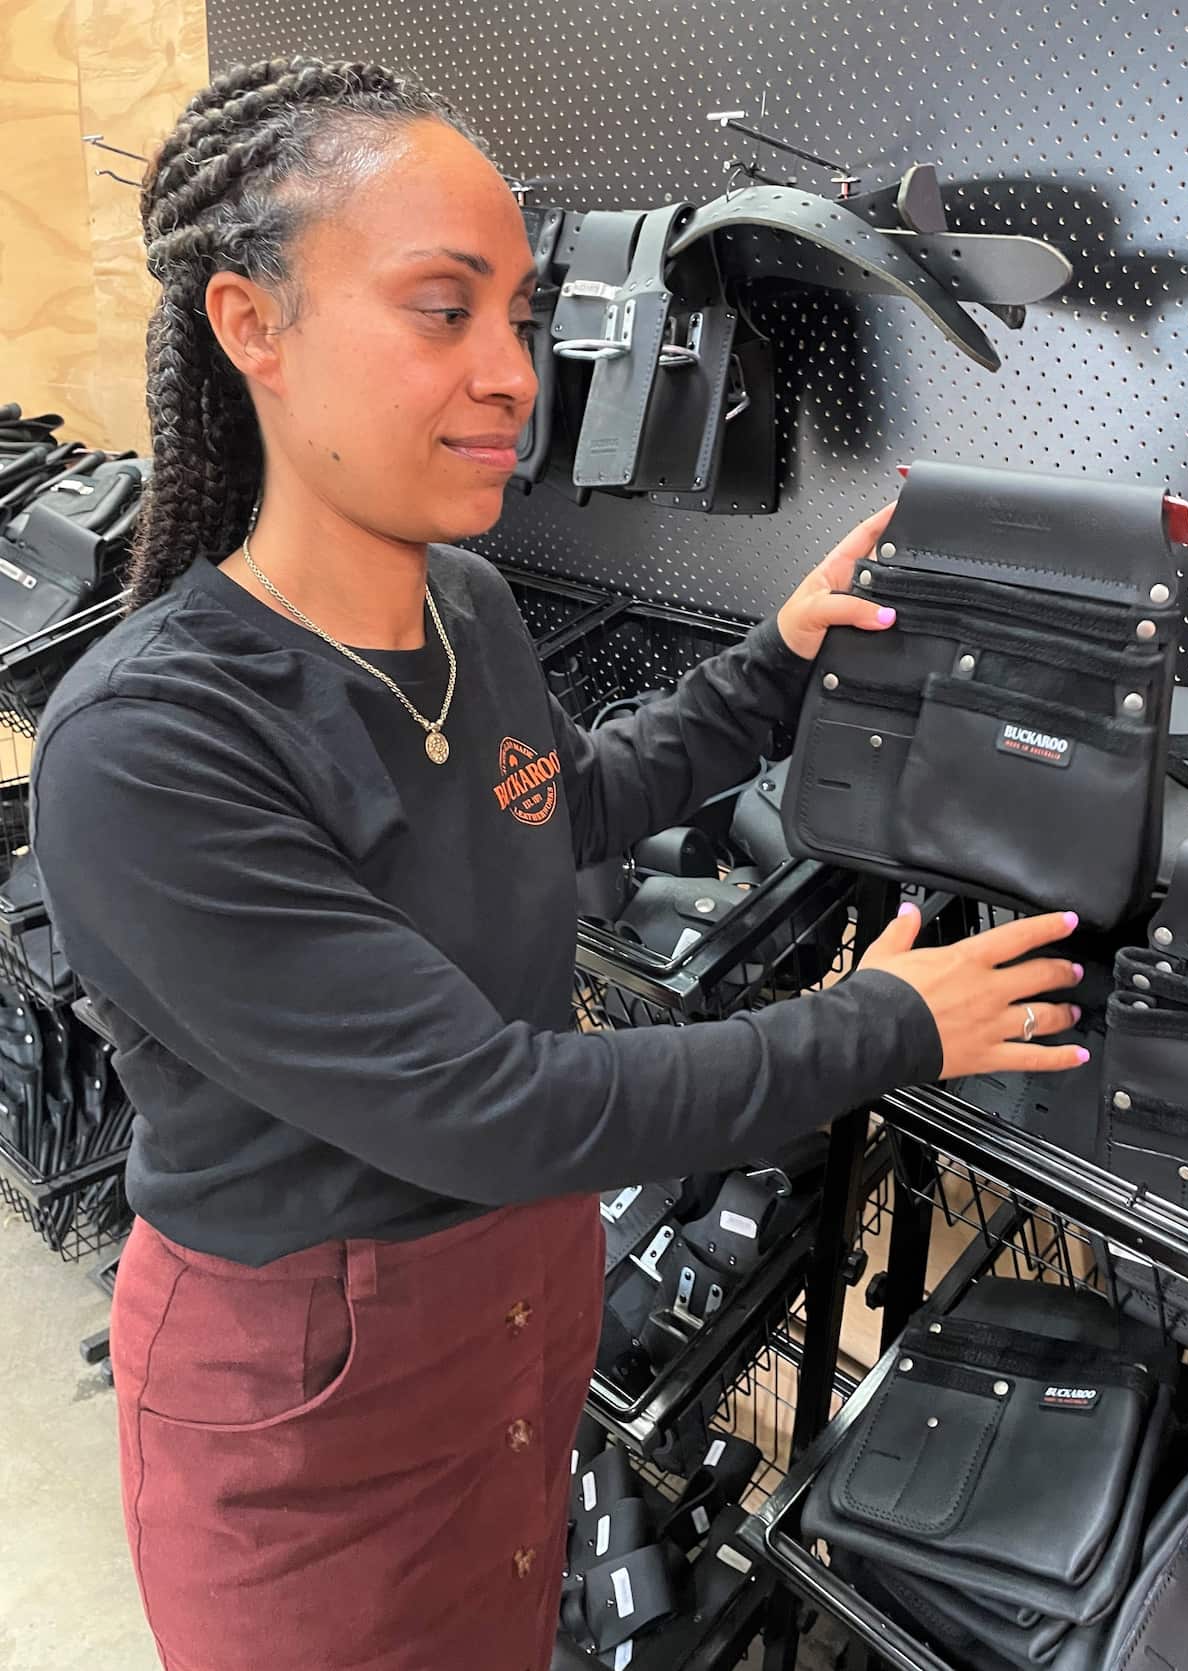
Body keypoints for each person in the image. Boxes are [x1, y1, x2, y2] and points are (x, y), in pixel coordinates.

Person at [30, 56, 1088, 1671]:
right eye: (441, 310)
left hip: (517, 1292)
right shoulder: (148, 752)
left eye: (518, 315)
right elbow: (494, 1105)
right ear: (254, 326)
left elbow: (557, 804)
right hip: (314, 1383)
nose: (514, 374)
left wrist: (777, 663)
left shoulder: (464, 606)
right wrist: (887, 1024)